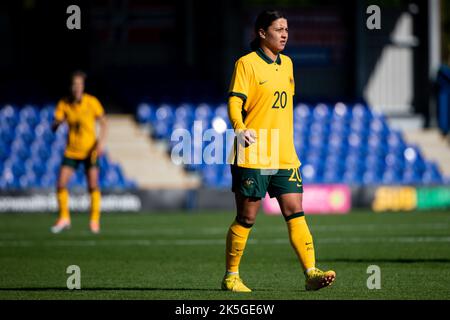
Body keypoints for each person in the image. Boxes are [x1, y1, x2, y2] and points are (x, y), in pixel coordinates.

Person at [222, 10, 336, 292]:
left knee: (295, 211)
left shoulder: (288, 65)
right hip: (252, 152)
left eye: (287, 29)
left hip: (284, 154)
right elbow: (235, 101)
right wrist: (239, 127)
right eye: (278, 29)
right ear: (262, 33)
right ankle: (231, 276)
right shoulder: (246, 64)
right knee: (247, 217)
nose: (284, 34)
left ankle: (311, 272)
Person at [50, 71, 108, 234]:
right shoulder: (64, 103)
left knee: (93, 185)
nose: (77, 87)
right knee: (61, 183)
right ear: (71, 87)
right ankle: (64, 218)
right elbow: (54, 125)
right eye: (74, 84)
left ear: (83, 86)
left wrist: (100, 144)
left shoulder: (92, 102)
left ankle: (94, 221)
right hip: (72, 151)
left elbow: (104, 123)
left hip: (90, 151)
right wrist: (56, 123)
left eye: (79, 84)